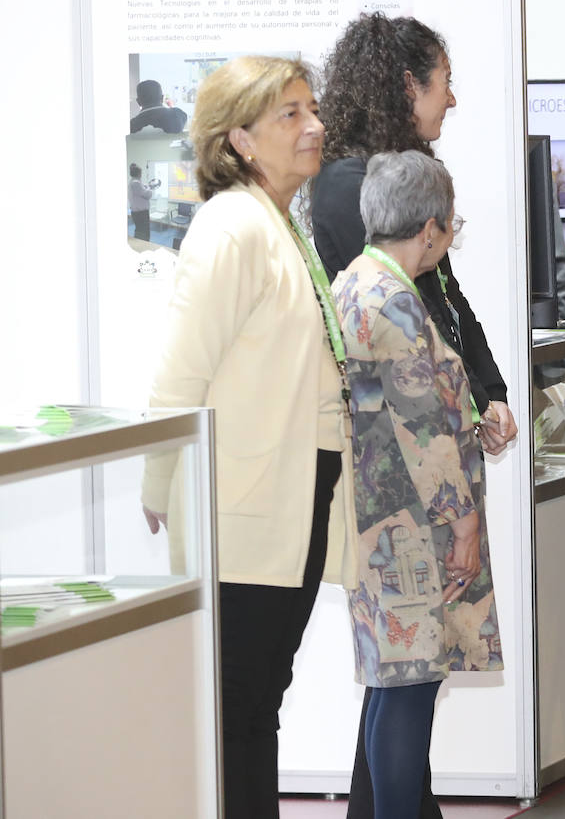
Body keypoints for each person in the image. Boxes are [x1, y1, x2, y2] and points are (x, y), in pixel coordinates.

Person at [311, 12, 517, 819]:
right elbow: (402, 382)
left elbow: (450, 309)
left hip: (409, 482)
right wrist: (459, 507)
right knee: (405, 680)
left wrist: (488, 392)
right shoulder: (350, 201)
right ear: (405, 86)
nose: (453, 98)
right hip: (405, 491)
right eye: (442, 81)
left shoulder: (390, 193)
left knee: (403, 681)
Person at [139, 56, 348, 819]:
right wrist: (159, 481)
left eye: (311, 108)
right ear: (241, 140)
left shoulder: (277, 221)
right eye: (290, 114)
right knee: (241, 707)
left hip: (288, 499)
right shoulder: (231, 227)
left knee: (258, 700)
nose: (314, 126)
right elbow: (180, 374)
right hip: (244, 508)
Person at [332, 150, 501, 819]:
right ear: (430, 228)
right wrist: (463, 524)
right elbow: (421, 428)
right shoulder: (394, 300)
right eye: (450, 225)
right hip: (410, 529)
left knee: (389, 685)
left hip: (377, 518)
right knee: (406, 694)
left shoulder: (354, 280)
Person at [127, 162, 158, 241]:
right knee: (143, 233)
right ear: (138, 173)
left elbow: (143, 188)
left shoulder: (135, 182)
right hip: (140, 213)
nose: (141, 174)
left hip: (139, 212)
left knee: (141, 231)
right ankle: (142, 248)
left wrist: (147, 186)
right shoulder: (135, 183)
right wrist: (150, 188)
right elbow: (147, 195)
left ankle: (141, 246)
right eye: (141, 173)